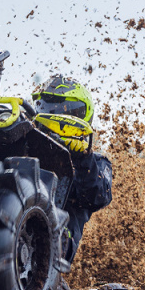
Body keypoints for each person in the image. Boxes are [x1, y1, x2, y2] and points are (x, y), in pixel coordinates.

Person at [31, 75, 113, 264]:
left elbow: (98, 195)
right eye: (46, 106)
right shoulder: (29, 146)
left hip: (57, 242)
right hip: (8, 220)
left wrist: (82, 157)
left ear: (80, 113)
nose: (52, 112)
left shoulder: (97, 162)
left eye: (61, 108)